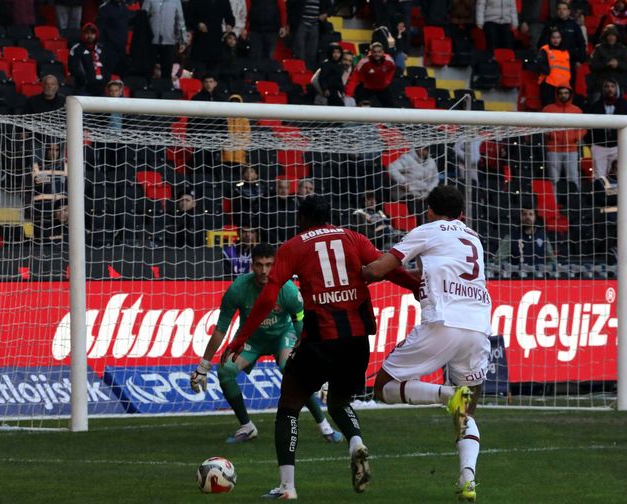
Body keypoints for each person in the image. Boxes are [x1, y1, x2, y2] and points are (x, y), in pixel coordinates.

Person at [222, 195, 420, 499]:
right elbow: (386, 267)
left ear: (301, 218)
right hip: (356, 341)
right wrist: (414, 286)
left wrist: (241, 337)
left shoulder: (294, 245)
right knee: (339, 402)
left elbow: (267, 297)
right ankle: (355, 442)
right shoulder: (353, 237)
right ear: (329, 216)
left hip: (320, 340)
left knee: (288, 408)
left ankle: (287, 487)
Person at [361, 185, 490, 502]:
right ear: (461, 213)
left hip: (442, 324)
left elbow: (378, 269)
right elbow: (429, 273)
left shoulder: (427, 230)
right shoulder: (473, 237)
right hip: (478, 329)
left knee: (384, 387)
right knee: (466, 412)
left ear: (429, 209)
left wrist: (353, 271)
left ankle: (447, 394)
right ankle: (468, 479)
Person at [193, 243, 345, 445]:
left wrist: (313, 363)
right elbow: (220, 328)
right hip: (251, 339)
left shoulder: (288, 290)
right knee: (225, 371)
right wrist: (203, 366)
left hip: (283, 335)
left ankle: (324, 425)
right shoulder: (237, 289)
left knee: (293, 371)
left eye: (268, 265)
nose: (263, 270)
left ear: (276, 265)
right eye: (259, 265)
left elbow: (301, 326)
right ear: (251, 265)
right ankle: (247, 427)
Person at [586, 78, 627, 179]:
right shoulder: (595, 106)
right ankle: (601, 195)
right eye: (607, 86)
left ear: (617, 89)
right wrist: (590, 144)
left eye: (612, 87)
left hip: (618, 145)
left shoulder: (625, 105)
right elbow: (588, 126)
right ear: (603, 89)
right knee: (599, 177)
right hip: (599, 146)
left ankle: (616, 195)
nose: (610, 89)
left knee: (619, 176)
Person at [541, 86, 585, 188]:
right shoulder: (548, 109)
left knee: (573, 178)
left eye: (566, 93)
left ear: (570, 94)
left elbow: (583, 128)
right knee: (553, 179)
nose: (563, 95)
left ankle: (575, 201)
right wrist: (550, 134)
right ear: (557, 94)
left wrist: (575, 137)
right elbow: (541, 126)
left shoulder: (576, 110)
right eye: (561, 93)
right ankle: (554, 203)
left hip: (571, 148)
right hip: (553, 148)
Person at [140, 0, 187, 81]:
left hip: (169, 40)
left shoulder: (176, 1)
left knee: (167, 70)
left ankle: (166, 89)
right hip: (151, 41)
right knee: (148, 68)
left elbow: (180, 21)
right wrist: (142, 38)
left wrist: (182, 40)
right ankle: (146, 88)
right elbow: (142, 19)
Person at [588, 24, 627, 102]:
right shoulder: (599, 49)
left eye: (613, 35)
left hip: (619, 83)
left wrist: (618, 64)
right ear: (605, 37)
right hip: (600, 84)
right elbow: (593, 66)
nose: (611, 38)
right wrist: (607, 64)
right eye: (609, 35)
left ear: (616, 37)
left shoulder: (623, 49)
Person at [188, 0, 235, 71]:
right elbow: (188, 17)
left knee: (214, 73)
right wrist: (198, 24)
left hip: (216, 42)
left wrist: (229, 25)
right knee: (200, 72)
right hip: (200, 42)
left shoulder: (223, 1)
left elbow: (230, 17)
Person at [538, 1, 587, 67]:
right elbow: (542, 43)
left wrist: (580, 60)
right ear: (556, 11)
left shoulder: (574, 26)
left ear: (569, 11)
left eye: (564, 9)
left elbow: (581, 43)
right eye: (559, 9)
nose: (561, 11)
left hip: (570, 60)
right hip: (553, 60)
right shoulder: (550, 25)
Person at [288, 0, 331, 68]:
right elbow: (289, 5)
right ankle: (300, 71)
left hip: (315, 25)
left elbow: (330, 8)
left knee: (312, 53)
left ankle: (309, 73)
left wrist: (326, 14)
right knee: (299, 52)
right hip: (300, 24)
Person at [69, 23, 108, 96]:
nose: (90, 36)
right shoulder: (77, 49)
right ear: (83, 34)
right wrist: (84, 80)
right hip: (83, 89)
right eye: (87, 33)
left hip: (101, 89)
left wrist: (105, 80)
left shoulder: (101, 48)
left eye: (92, 33)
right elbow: (73, 68)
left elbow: (107, 66)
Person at [537, 27, 572, 107]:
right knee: (548, 109)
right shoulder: (545, 49)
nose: (555, 40)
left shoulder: (566, 51)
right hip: (549, 85)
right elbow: (540, 64)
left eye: (558, 37)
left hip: (564, 86)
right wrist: (546, 71)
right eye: (553, 37)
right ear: (549, 38)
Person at [97, 0, 132, 78]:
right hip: (109, 49)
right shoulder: (104, 8)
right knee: (107, 76)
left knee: (121, 76)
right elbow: (100, 29)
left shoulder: (124, 7)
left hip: (122, 49)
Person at [355, 43, 396, 108]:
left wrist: (388, 80)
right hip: (367, 88)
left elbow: (392, 69)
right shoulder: (364, 62)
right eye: (374, 52)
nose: (377, 54)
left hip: (382, 87)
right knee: (362, 107)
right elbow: (356, 74)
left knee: (391, 108)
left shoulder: (389, 60)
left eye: (379, 52)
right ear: (371, 52)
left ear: (383, 52)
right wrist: (363, 81)